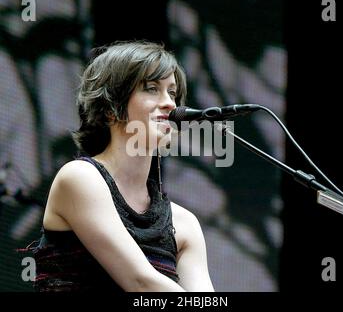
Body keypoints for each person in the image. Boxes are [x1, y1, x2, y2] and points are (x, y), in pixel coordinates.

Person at [30, 40, 214, 292]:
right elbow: (141, 283)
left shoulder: (184, 224)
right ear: (110, 107)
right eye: (152, 89)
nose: (170, 103)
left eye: (172, 93)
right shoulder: (79, 178)